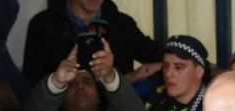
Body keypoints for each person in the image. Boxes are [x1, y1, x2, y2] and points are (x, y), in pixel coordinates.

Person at [22, 0, 163, 87]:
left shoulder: (121, 24)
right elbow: (31, 87)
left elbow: (161, 57)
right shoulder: (42, 26)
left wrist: (123, 80)